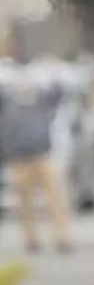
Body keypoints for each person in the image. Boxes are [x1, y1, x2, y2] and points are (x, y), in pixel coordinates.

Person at [0, 69, 72, 254]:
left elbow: (59, 93)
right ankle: (30, 239)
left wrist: (54, 72)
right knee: (24, 202)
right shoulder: (7, 101)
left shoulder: (40, 100)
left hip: (43, 154)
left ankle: (62, 236)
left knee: (56, 198)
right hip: (19, 158)